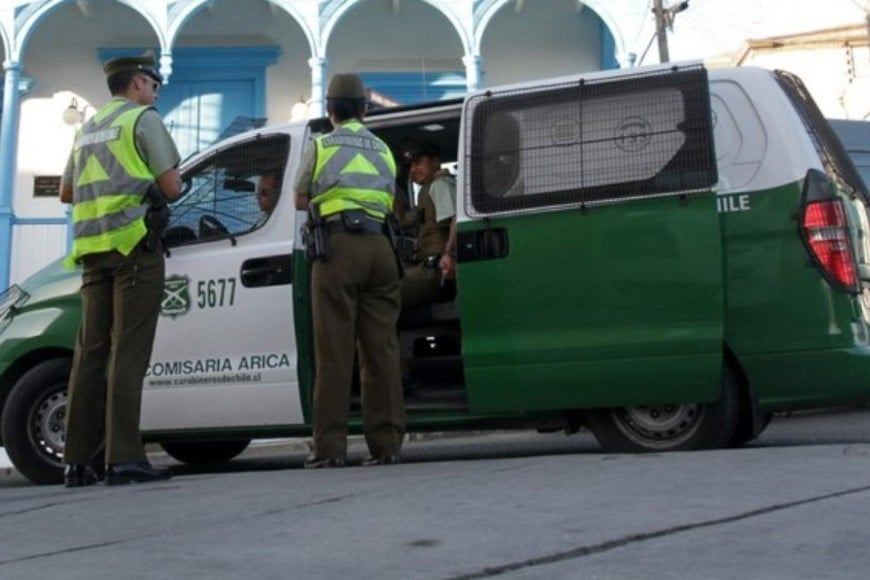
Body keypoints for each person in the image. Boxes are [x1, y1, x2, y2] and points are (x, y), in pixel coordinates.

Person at [59, 52, 182, 487]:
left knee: (90, 355)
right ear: (137, 84)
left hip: (92, 252)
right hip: (133, 249)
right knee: (129, 353)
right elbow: (172, 187)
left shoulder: (87, 129)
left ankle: (77, 461)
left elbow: (65, 192)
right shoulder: (141, 120)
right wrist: (147, 184)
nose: (155, 93)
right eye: (153, 85)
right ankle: (124, 458)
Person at [294, 73, 405, 468]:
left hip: (339, 249)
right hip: (381, 249)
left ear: (330, 111)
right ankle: (387, 445)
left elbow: (299, 198)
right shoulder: (383, 149)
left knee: (335, 351)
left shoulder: (322, 145)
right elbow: (390, 199)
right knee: (382, 350)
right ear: (364, 109)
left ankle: (330, 449)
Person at [399, 142, 457, 310]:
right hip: (430, 267)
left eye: (418, 163)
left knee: (383, 295)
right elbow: (406, 219)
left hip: (439, 271)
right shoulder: (429, 189)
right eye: (410, 166)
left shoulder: (440, 185)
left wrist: (449, 254)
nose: (412, 170)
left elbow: (455, 220)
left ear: (435, 161)